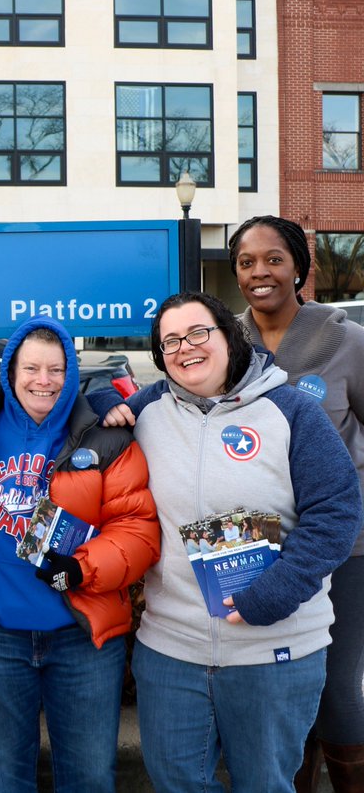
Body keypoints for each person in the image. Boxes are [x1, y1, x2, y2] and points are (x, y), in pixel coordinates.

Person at [93, 291, 362, 792]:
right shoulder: (151, 409)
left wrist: (274, 593)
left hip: (273, 651)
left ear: (230, 336)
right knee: (177, 783)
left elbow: (338, 510)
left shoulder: (290, 412)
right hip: (171, 652)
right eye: (170, 341)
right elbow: (93, 411)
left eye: (199, 333)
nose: (185, 347)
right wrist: (106, 404)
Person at [0, 316, 159, 793]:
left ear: (72, 373)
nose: (44, 381)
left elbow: (138, 528)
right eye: (31, 369)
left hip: (80, 637)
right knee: (3, 779)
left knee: (87, 779)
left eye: (56, 370)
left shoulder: (106, 436)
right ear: (9, 372)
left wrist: (82, 568)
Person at [229, 214, 364, 790]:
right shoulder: (225, 343)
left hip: (343, 547)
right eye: (246, 262)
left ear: (299, 268)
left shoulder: (347, 340)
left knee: (337, 690)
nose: (260, 272)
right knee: (278, 688)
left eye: (274, 259)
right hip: (258, 544)